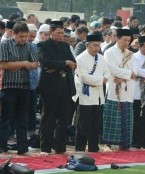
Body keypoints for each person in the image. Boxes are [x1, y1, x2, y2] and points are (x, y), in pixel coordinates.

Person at [37, 20, 76, 155]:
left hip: (65, 85)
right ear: (51, 32)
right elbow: (46, 62)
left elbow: (73, 63)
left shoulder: (66, 46)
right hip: (50, 86)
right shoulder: (43, 45)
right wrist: (64, 63)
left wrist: (57, 65)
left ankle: (60, 146)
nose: (61, 35)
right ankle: (45, 147)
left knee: (64, 117)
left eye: (62, 33)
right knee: (48, 117)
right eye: (58, 33)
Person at [0, 21, 39, 155]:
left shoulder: (29, 46)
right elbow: (3, 65)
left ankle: (22, 148)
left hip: (25, 86)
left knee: (23, 119)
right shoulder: (5, 44)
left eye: (26, 36)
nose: (24, 39)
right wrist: (23, 63)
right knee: (7, 117)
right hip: (9, 86)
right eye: (21, 36)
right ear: (13, 34)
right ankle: (2, 146)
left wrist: (22, 65)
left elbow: (35, 64)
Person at [74, 32, 110, 152]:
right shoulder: (80, 59)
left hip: (99, 95)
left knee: (96, 123)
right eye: (94, 45)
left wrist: (102, 79)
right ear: (87, 45)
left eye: (98, 45)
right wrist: (101, 80)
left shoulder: (101, 58)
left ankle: (94, 147)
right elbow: (84, 78)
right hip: (85, 96)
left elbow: (107, 73)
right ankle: (80, 147)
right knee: (83, 124)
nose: (97, 48)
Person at [102, 28, 137, 150]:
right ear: (117, 38)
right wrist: (127, 75)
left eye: (129, 40)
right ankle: (108, 143)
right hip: (113, 87)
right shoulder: (109, 52)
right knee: (112, 117)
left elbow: (135, 72)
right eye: (124, 40)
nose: (126, 43)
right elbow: (112, 69)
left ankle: (125, 144)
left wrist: (124, 78)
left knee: (126, 117)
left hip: (127, 88)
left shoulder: (130, 54)